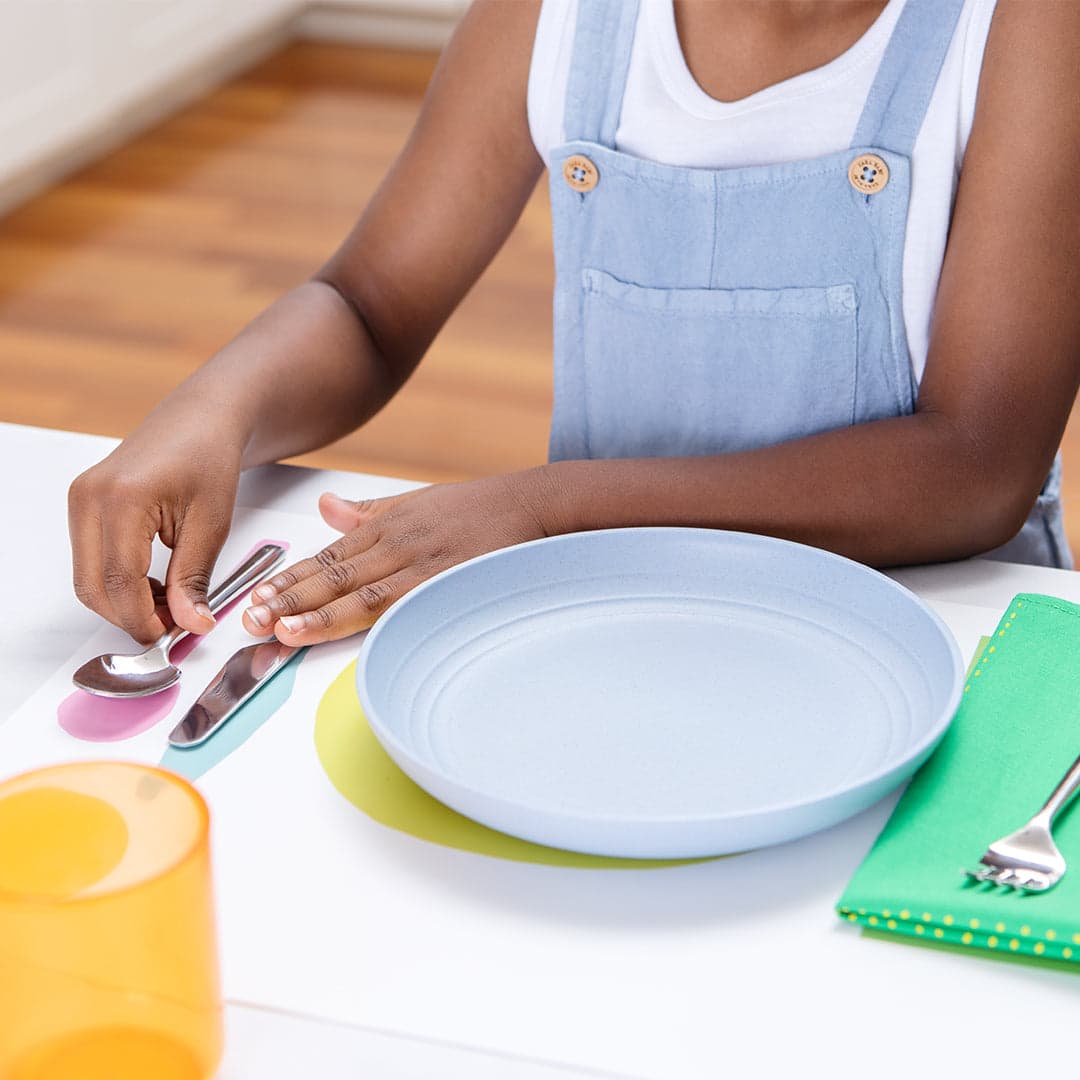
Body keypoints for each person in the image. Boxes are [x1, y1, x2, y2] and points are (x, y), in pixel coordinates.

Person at [67, 0, 1080, 650]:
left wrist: (548, 511)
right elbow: (370, 304)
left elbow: (975, 468)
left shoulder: (1028, 27)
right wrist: (215, 409)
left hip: (940, 625)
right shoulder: (554, 16)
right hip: (617, 610)